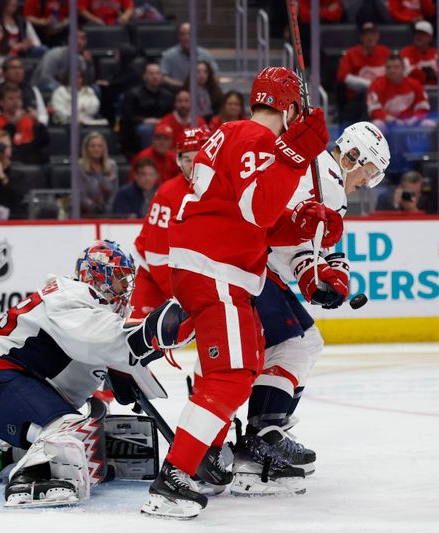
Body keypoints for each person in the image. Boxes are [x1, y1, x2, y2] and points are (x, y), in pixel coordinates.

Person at [140, 66, 337, 519]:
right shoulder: (256, 139)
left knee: (240, 368)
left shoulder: (231, 133)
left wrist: (302, 222)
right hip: (216, 271)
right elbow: (258, 205)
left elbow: (253, 218)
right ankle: (173, 477)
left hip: (211, 267)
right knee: (230, 375)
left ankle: (191, 459)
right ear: (290, 110)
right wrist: (294, 153)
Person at [0, 239, 191, 507]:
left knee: (86, 430)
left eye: (127, 281)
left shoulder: (84, 305)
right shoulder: (75, 296)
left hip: (0, 388)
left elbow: (110, 351)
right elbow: (101, 339)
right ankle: (31, 479)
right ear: (94, 275)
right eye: (117, 280)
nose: (124, 289)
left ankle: (11, 454)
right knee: (72, 434)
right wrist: (152, 334)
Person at [241, 121, 390, 496]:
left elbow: (323, 242)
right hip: (253, 269)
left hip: (257, 267)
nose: (367, 181)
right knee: (296, 344)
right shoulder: (325, 179)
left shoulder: (323, 173)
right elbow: (289, 235)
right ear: (354, 156)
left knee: (305, 342)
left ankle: (266, 430)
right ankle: (260, 440)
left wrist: (334, 273)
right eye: (369, 171)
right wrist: (313, 275)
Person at [129, 128, 210, 319]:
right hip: (149, 273)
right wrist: (179, 297)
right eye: (187, 159)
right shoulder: (168, 193)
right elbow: (156, 255)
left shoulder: (220, 187)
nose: (193, 165)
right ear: (179, 161)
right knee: (141, 334)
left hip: (185, 272)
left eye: (198, 158)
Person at [336, 21, 392, 124]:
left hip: (382, 96)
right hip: (358, 99)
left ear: (378, 36)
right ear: (361, 37)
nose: (370, 37)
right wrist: (371, 85)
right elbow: (342, 76)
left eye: (373, 34)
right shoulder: (351, 54)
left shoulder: (385, 52)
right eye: (366, 34)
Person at [367, 54, 434, 131]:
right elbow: (374, 110)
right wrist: (393, 121)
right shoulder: (376, 85)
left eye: (396, 67)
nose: (392, 70)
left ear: (403, 68)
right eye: (389, 67)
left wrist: (412, 120)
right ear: (385, 69)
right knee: (376, 124)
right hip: (387, 124)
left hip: (411, 122)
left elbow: (423, 107)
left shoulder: (415, 84)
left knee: (429, 124)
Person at [120, 62, 174, 154]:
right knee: (146, 130)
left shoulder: (168, 95)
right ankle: (149, 158)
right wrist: (144, 120)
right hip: (140, 127)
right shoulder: (133, 94)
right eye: (151, 73)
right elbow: (127, 117)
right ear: (145, 76)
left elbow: (172, 115)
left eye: (158, 73)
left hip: (163, 124)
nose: (155, 76)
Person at [0, 84, 50, 165]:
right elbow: (1, 146)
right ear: (1, 102)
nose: (15, 101)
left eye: (18, 98)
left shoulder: (28, 120)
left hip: (30, 162)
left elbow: (43, 142)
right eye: (11, 98)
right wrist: (13, 123)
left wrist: (37, 123)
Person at [0, 57, 49, 124]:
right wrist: (13, 121)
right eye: (13, 68)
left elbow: (43, 115)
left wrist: (37, 118)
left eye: (20, 68)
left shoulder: (32, 89)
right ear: (4, 72)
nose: (17, 71)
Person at [160, 22, 220, 89]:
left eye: (189, 34)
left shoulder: (206, 54)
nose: (186, 37)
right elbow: (163, 77)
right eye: (182, 34)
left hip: (201, 92)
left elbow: (215, 76)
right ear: (179, 37)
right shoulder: (169, 55)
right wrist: (184, 85)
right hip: (177, 93)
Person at [401, 20, 439, 88]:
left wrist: (433, 74)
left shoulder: (438, 53)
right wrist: (427, 75)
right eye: (417, 33)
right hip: (415, 90)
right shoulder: (406, 52)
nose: (418, 37)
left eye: (423, 34)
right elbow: (408, 71)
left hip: (437, 90)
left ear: (430, 38)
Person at [78, 131, 118, 216]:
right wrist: (95, 209)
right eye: (93, 146)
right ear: (86, 148)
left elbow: (115, 193)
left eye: (100, 146)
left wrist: (108, 209)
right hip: (86, 214)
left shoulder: (112, 166)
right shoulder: (79, 167)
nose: (96, 149)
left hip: (109, 213)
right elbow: (81, 195)